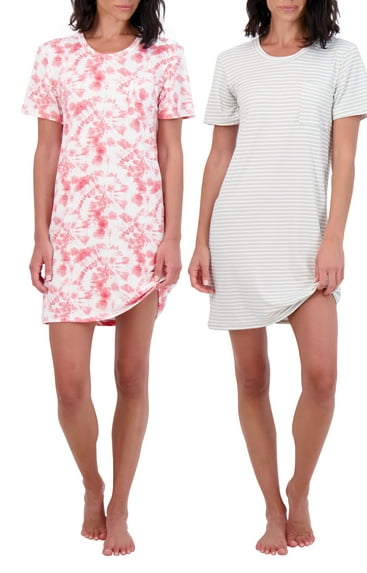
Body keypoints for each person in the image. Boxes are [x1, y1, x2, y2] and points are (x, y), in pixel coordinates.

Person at [189, 0, 367, 556]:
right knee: (252, 380)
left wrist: (334, 238)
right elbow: (219, 156)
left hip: (306, 241)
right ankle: (272, 506)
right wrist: (200, 239)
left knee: (322, 379)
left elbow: (346, 159)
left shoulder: (341, 58)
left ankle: (300, 488)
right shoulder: (233, 61)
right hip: (238, 234)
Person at [22, 0, 194, 557]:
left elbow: (171, 151)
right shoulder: (55, 55)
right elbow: (47, 149)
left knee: (131, 378)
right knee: (70, 387)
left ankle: (120, 503)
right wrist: (41, 234)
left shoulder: (164, 56)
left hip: (139, 233)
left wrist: (172, 236)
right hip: (72, 234)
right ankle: (92, 484)